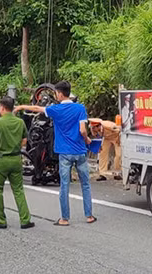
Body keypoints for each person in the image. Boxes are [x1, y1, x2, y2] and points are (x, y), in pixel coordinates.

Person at [16, 80, 95, 226]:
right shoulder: (80, 108)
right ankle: (89, 216)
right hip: (80, 151)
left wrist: (20, 107)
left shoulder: (55, 109)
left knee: (64, 185)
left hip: (64, 153)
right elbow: (83, 130)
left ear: (59, 94)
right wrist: (87, 139)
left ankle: (64, 218)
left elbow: (36, 108)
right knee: (85, 184)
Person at [0, 96, 34, 229]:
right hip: (16, 159)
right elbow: (24, 141)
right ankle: (25, 220)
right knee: (18, 190)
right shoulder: (20, 122)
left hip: (1, 160)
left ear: (2, 108)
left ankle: (0, 220)